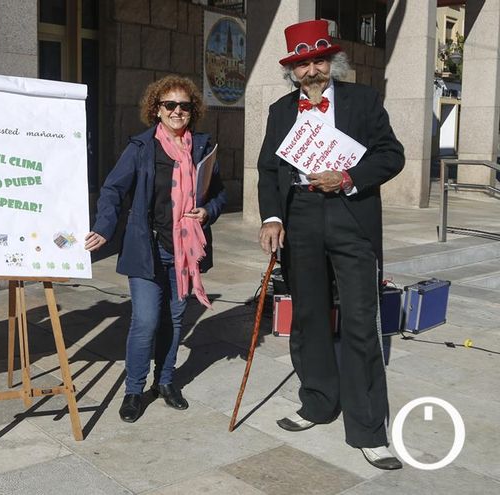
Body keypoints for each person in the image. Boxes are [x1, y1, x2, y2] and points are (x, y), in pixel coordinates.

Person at [256, 20, 405, 470]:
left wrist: (348, 177)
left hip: (350, 214)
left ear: (332, 61)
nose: (312, 71)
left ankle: (367, 428)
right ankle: (318, 401)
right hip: (300, 217)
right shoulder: (281, 110)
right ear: (292, 70)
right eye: (302, 64)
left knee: (361, 320)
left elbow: (391, 154)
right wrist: (272, 217)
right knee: (308, 316)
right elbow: (267, 169)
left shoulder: (362, 101)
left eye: (318, 60)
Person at [85, 75, 226, 423]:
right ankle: (134, 390)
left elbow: (221, 193)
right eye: (170, 105)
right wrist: (104, 228)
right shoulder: (141, 147)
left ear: (193, 110)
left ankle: (165, 382)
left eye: (184, 106)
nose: (178, 111)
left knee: (174, 320)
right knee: (146, 320)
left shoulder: (203, 148)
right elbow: (113, 190)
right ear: (157, 109)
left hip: (184, 251)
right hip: (146, 247)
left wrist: (208, 211)